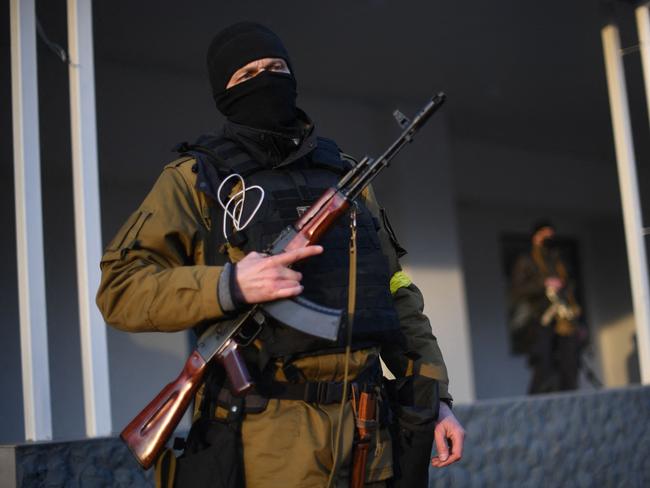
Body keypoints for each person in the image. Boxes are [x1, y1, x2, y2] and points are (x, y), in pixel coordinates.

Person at [97, 22, 464, 487]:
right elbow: (120, 288)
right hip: (266, 451)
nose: (265, 79)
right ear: (223, 93)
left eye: (275, 67)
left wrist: (439, 402)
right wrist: (229, 285)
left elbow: (396, 295)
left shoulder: (346, 177)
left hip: (369, 440)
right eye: (246, 74)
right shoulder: (196, 179)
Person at [510, 220, 585, 394]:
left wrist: (578, 322)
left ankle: (569, 404)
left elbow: (571, 291)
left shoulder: (559, 261)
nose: (549, 238)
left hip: (565, 321)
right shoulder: (527, 261)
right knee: (543, 367)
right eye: (545, 235)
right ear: (536, 237)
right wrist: (543, 284)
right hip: (540, 319)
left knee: (570, 366)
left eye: (551, 234)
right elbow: (517, 290)